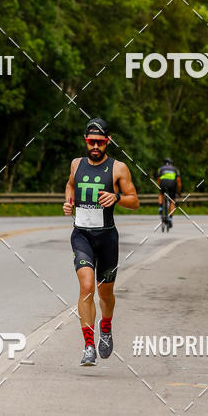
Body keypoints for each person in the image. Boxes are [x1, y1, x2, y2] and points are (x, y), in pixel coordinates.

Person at [63, 118, 139, 366]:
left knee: (105, 293)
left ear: (107, 142)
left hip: (107, 238)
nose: (95, 146)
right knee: (86, 288)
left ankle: (105, 327)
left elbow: (134, 200)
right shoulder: (77, 164)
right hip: (81, 235)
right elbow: (70, 185)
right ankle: (88, 345)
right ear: (86, 141)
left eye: (99, 142)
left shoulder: (118, 168)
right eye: (91, 141)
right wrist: (68, 201)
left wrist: (116, 197)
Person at [157, 159, 181, 227]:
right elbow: (178, 181)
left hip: (163, 183)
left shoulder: (161, 168)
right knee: (172, 201)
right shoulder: (175, 169)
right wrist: (179, 191)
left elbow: (159, 179)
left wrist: (160, 187)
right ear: (171, 163)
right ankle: (170, 218)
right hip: (172, 184)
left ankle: (160, 207)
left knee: (161, 194)